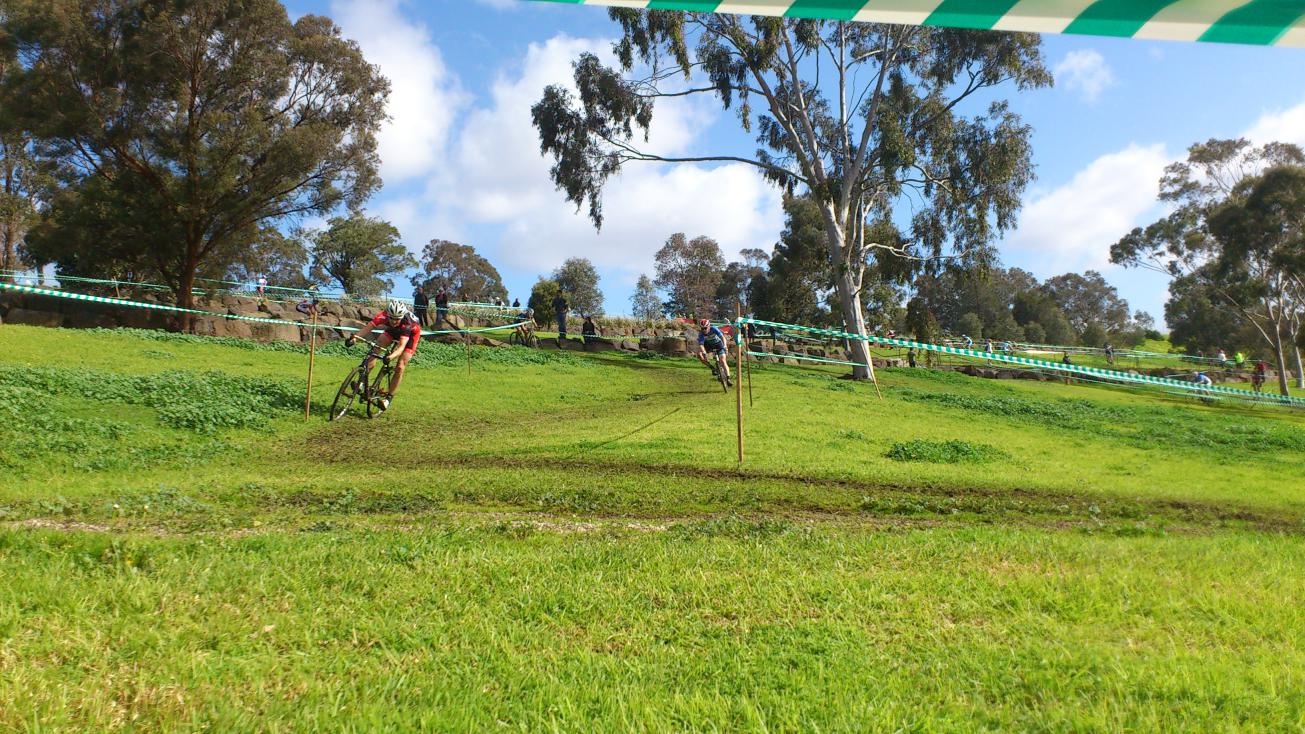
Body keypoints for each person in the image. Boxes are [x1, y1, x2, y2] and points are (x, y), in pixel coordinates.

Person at [346, 299, 420, 411]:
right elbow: (368, 327)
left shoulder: (407, 323)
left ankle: (388, 399)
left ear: (401, 317)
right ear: (388, 314)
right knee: (375, 349)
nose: (394, 321)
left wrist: (390, 357)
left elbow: (401, 347)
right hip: (393, 331)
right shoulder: (383, 316)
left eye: (397, 319)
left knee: (400, 367)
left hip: (410, 336)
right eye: (391, 318)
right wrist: (355, 338)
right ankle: (361, 381)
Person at [696, 318, 732, 386]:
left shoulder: (714, 329)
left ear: (709, 326)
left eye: (705, 328)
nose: (704, 330)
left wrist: (725, 346)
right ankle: (712, 368)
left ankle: (728, 378)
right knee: (699, 354)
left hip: (718, 344)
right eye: (702, 328)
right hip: (708, 346)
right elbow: (701, 345)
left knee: (723, 361)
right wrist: (704, 353)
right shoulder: (701, 334)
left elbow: (722, 338)